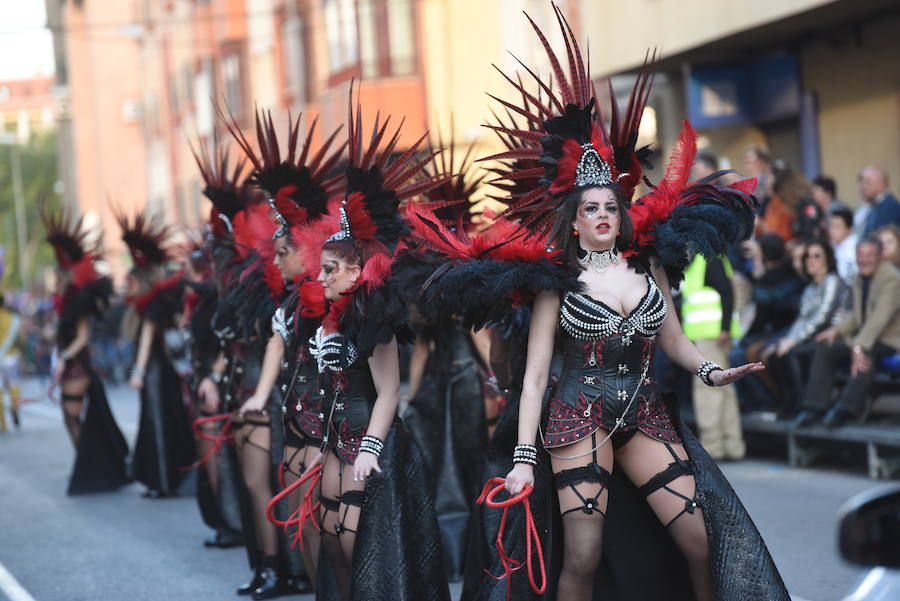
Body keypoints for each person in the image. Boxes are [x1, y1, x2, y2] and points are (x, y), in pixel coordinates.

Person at [410, 9, 789, 600]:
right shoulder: (556, 283)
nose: (604, 215)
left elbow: (673, 339)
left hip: (643, 413)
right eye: (592, 209)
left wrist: (712, 372)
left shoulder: (647, 266)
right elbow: (536, 377)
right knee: (582, 558)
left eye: (611, 206)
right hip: (576, 418)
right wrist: (524, 457)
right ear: (575, 220)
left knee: (699, 539)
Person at [304, 93, 450, 601]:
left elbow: (389, 391)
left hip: (369, 438)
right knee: (330, 539)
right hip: (333, 439)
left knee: (355, 543)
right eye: (321, 269)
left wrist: (370, 448)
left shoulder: (374, 317)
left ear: (355, 271)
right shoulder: (327, 319)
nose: (321, 278)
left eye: (330, 270)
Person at [224, 110, 343, 598]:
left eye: (281, 253)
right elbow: (276, 342)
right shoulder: (291, 301)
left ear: (301, 250)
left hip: (332, 424)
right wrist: (260, 395)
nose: (273, 261)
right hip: (294, 419)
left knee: (329, 532)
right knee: (306, 531)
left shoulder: (333, 294)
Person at [43, 207, 129, 494]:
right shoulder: (65, 299)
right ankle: (87, 463)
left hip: (77, 365)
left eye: (59, 271)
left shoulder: (77, 298)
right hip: (70, 363)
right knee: (70, 416)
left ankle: (88, 465)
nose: (56, 276)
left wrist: (64, 358)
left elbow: (82, 336)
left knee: (71, 414)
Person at [119, 211, 195, 498]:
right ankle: (161, 479)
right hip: (160, 371)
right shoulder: (147, 305)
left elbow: (148, 341)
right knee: (158, 422)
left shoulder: (151, 306)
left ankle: (163, 480)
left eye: (131, 282)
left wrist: (138, 373)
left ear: (141, 282)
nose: (127, 287)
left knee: (158, 423)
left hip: (155, 372)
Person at [791, 236, 900, 427]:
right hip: (866, 335)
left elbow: (879, 319)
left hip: (890, 339)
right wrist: (835, 331)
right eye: (860, 255)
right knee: (826, 347)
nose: (864, 259)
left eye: (869, 255)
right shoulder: (858, 277)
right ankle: (814, 407)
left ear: (880, 256)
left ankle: (845, 409)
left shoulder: (892, 278)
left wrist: (858, 346)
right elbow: (856, 316)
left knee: (865, 354)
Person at [763, 240, 849, 416]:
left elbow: (823, 318)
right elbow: (801, 320)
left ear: (827, 259)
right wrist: (787, 340)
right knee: (777, 354)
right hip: (812, 335)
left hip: (834, 335)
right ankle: (789, 403)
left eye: (817, 256)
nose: (811, 260)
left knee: (794, 353)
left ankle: (804, 405)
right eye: (808, 257)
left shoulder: (832, 281)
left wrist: (793, 341)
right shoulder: (810, 288)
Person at [681, 254, 745, 461]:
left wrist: (724, 329)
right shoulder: (705, 261)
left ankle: (713, 446)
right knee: (724, 391)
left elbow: (726, 293)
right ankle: (732, 445)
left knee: (707, 390)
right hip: (711, 334)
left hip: (711, 335)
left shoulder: (707, 260)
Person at [857, 166, 900, 237]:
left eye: (867, 181)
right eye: (861, 181)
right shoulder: (872, 206)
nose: (862, 185)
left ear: (881, 184)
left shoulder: (890, 207)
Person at [0, 295, 22, 432]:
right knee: (14, 386)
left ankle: (2, 423)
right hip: (11, 357)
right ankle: (15, 408)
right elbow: (22, 338)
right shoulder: (14, 318)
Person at [830, 207, 858, 282]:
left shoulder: (852, 249)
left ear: (850, 229)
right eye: (832, 226)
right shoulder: (837, 244)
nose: (832, 231)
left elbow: (848, 279)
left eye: (837, 227)